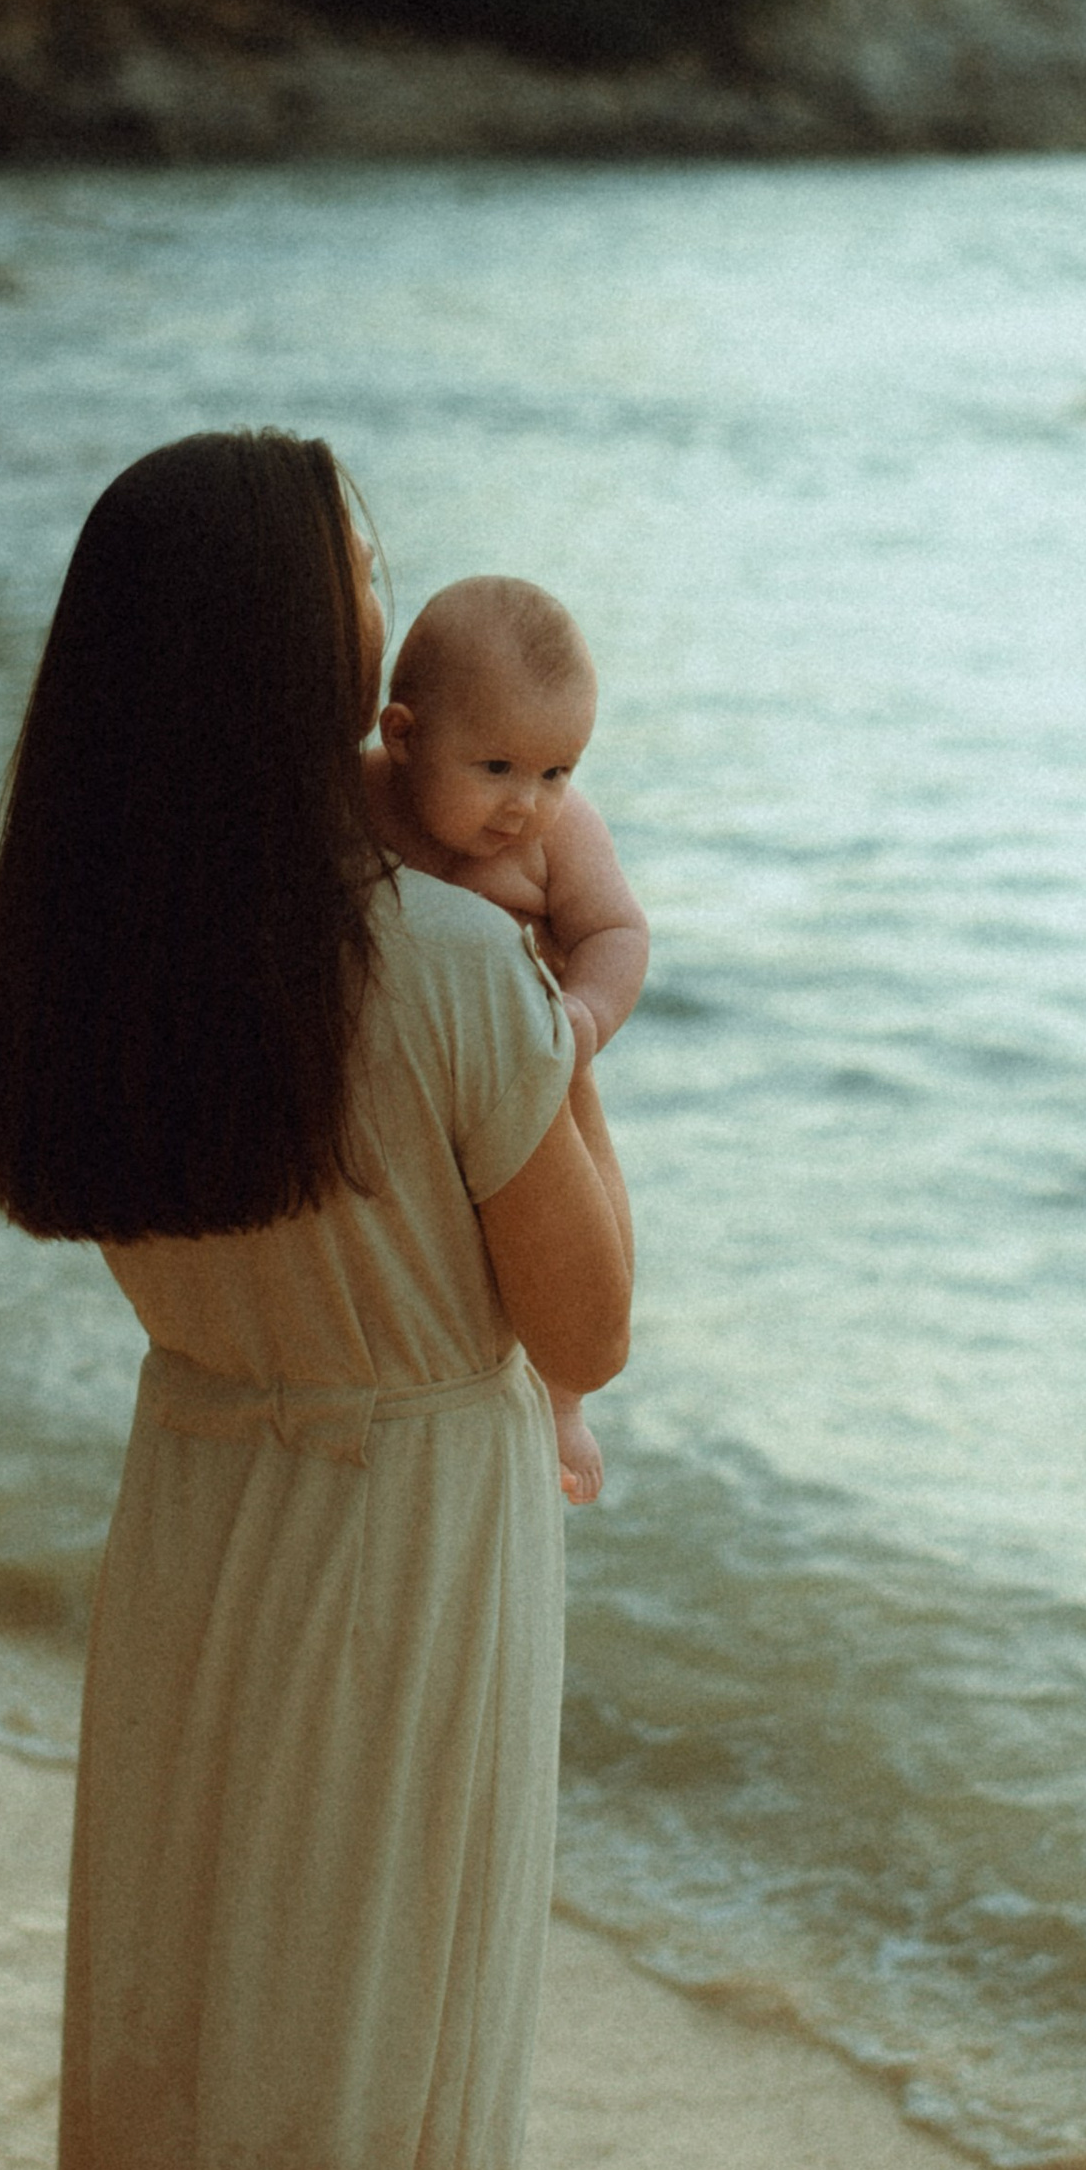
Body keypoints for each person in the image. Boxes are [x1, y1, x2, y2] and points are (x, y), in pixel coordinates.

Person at [0, 430, 632, 2170]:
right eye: (350, 595)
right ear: (294, 667)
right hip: (405, 1545)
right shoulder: (443, 968)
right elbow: (588, 1320)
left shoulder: (85, 963)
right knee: (380, 2083)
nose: (376, 635)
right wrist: (566, 1011)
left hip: (203, 1512)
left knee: (182, 2043)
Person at [364, 575, 649, 1506]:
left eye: (558, 770)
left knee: (582, 1238)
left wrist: (586, 1019)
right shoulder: (358, 801)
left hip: (535, 1064)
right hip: (413, 1092)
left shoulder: (560, 838)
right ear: (402, 738)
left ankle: (562, 1408)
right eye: (496, 768)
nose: (527, 803)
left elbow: (616, 933)